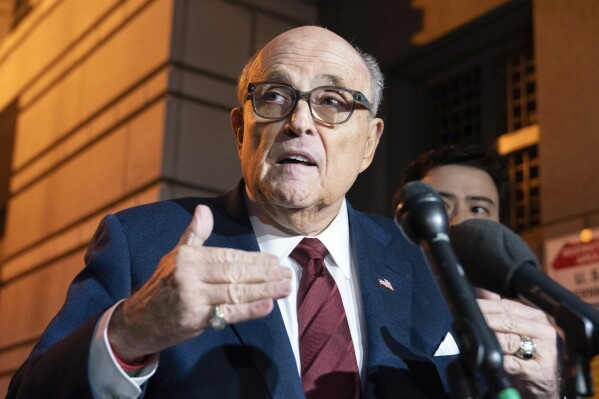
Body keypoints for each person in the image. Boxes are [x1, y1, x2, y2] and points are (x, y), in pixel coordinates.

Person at [5, 27, 541, 399]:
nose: (301, 121)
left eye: (333, 101)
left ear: (370, 143)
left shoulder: (424, 261)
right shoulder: (142, 243)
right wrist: (129, 333)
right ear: (241, 130)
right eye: (276, 97)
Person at [399, 144, 560, 398]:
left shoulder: (530, 328)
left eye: (478, 209)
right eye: (438, 205)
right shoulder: (378, 301)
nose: (458, 221)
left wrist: (547, 389)